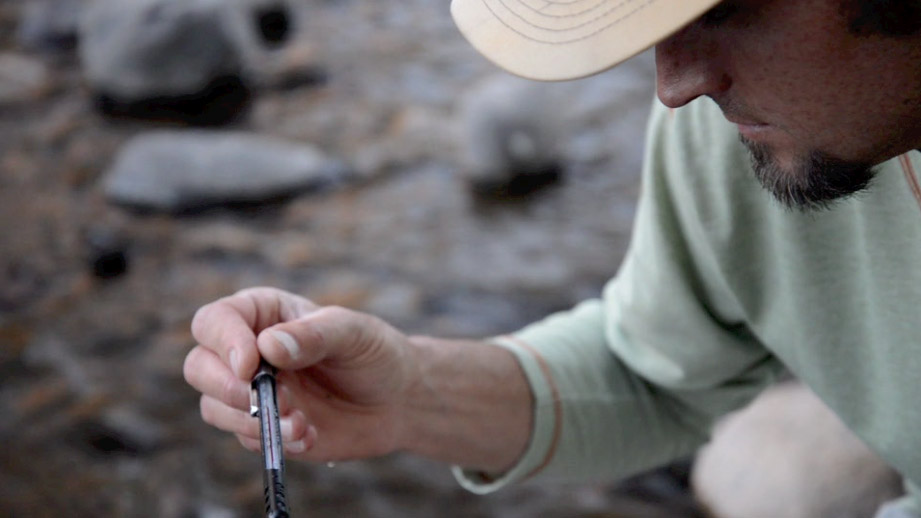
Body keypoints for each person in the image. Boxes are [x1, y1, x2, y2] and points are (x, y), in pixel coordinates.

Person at [183, 0, 921, 516]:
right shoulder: (745, 135)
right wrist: (409, 391)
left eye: (718, 10)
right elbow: (653, 374)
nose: (674, 85)